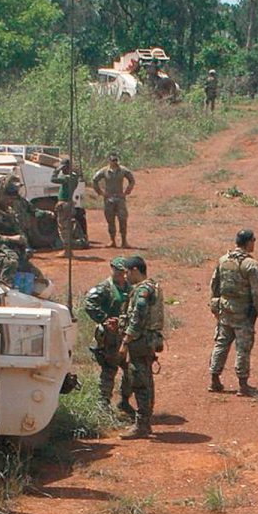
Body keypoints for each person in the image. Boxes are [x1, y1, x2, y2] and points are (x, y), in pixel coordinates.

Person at [209, 229, 258, 396]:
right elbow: (257, 293)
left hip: (225, 310)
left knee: (221, 343)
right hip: (243, 314)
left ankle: (214, 379)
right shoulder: (250, 265)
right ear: (248, 242)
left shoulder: (223, 260)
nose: (254, 243)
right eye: (253, 240)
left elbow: (215, 285)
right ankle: (243, 384)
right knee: (243, 348)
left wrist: (214, 306)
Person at [120, 255, 165, 438]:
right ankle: (144, 422)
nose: (125, 276)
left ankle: (142, 425)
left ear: (135, 270)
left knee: (139, 382)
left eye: (127, 272)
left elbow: (137, 318)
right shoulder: (152, 286)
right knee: (146, 380)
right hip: (149, 340)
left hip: (140, 341)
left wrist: (125, 342)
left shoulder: (142, 291)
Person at [85, 258, 136, 411]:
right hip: (110, 337)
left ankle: (124, 401)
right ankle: (103, 405)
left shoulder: (130, 287)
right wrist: (104, 319)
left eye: (124, 271)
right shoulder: (104, 288)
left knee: (130, 370)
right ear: (112, 269)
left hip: (126, 335)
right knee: (109, 370)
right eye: (119, 271)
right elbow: (89, 304)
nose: (121, 274)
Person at [92, 153, 136, 248]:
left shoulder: (123, 170)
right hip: (109, 199)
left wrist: (127, 191)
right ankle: (112, 241)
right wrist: (100, 192)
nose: (114, 162)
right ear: (109, 161)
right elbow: (94, 180)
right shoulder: (104, 171)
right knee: (110, 220)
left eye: (116, 160)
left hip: (120, 199)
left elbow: (132, 180)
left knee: (122, 220)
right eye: (112, 160)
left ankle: (124, 241)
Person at [52, 157, 82, 254]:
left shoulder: (66, 178)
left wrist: (56, 170)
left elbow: (53, 179)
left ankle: (67, 250)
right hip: (69, 204)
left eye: (63, 168)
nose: (62, 170)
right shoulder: (74, 177)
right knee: (68, 226)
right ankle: (68, 249)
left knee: (63, 227)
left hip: (64, 204)